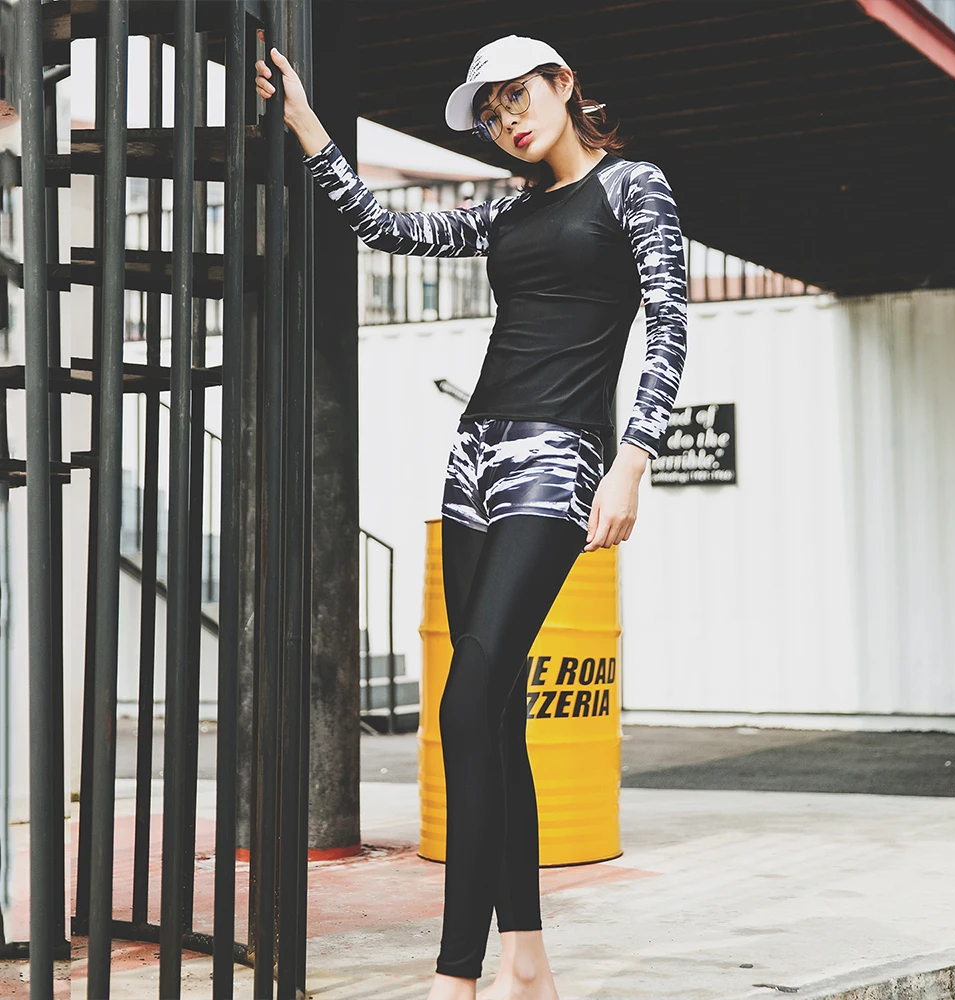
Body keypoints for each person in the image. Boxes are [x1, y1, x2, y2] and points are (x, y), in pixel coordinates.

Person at [255, 31, 687, 1000]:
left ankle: (456, 975)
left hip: (561, 458)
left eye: (517, 96)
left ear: (563, 83)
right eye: (491, 112)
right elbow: (380, 224)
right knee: (493, 715)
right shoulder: (508, 211)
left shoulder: (633, 188)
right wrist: (306, 123)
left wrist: (631, 460)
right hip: (474, 460)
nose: (507, 120)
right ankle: (526, 961)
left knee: (462, 697)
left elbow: (668, 321)